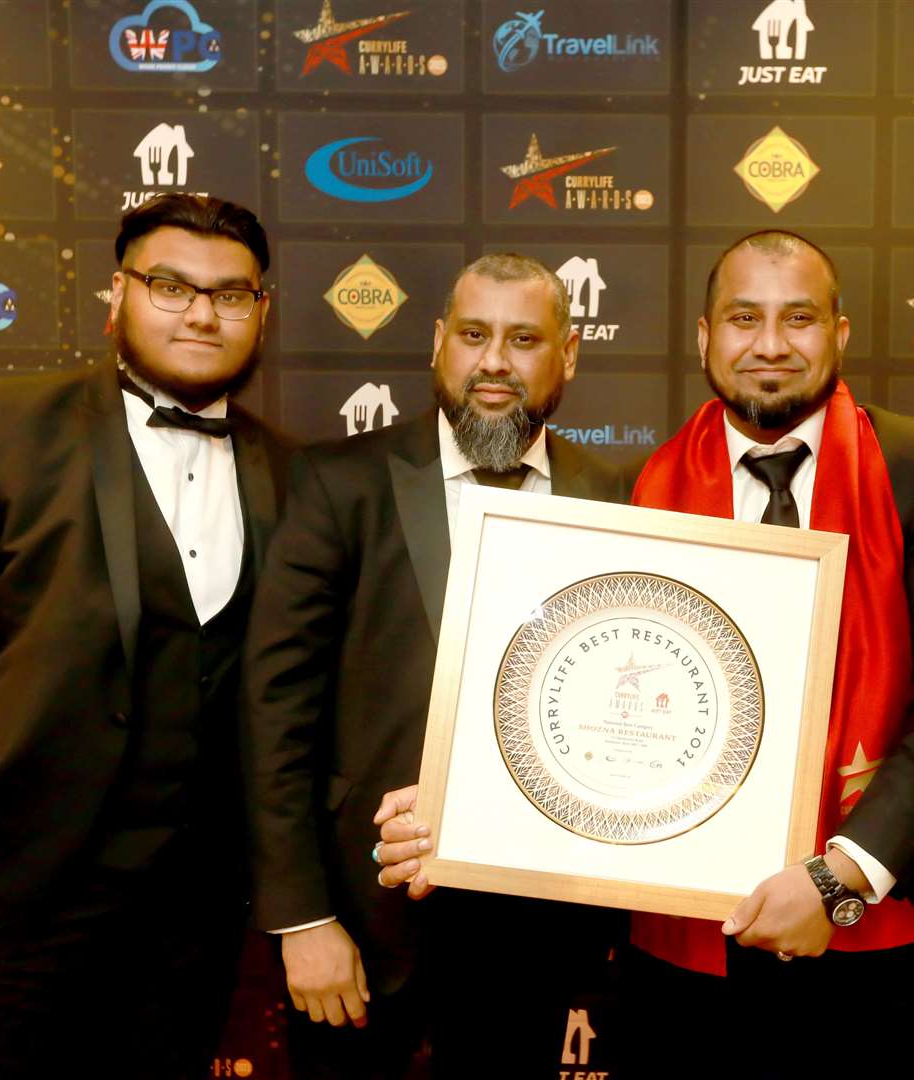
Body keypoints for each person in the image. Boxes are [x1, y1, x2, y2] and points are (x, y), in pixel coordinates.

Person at [378, 230, 914, 1077]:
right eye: (744, 318)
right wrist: (466, 806)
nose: (771, 345)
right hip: (680, 948)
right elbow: (575, 692)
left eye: (800, 319)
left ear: (842, 335)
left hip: (864, 928)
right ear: (706, 339)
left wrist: (841, 879)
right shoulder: (643, 490)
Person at [0, 193, 288, 1078]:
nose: (202, 312)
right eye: (171, 285)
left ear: (260, 312)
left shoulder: (289, 470)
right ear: (115, 295)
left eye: (231, 294)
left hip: (190, 929)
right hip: (3, 914)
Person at [243, 253, 628, 1078]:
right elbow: (275, 712)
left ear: (568, 356)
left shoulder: (614, 497)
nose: (495, 361)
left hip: (535, 925)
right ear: (436, 345)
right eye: (474, 334)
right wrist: (301, 918)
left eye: (524, 338)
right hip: (357, 917)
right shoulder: (338, 482)